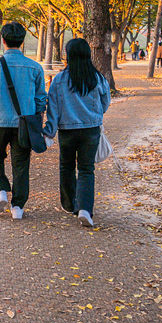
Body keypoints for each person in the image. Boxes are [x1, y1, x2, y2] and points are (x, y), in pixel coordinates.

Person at [0, 20, 47, 221]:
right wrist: (38, 120)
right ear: (22, 42)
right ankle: (18, 207)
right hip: (24, 124)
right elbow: (41, 98)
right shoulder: (35, 68)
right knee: (21, 164)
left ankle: (0, 191)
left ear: (3, 40)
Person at [44, 36, 112, 230]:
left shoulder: (59, 80)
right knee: (86, 169)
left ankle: (69, 204)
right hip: (91, 130)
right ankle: (84, 209)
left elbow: (53, 108)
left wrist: (50, 130)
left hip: (67, 130)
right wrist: (96, 115)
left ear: (68, 55)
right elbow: (105, 102)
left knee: (66, 166)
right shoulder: (97, 77)